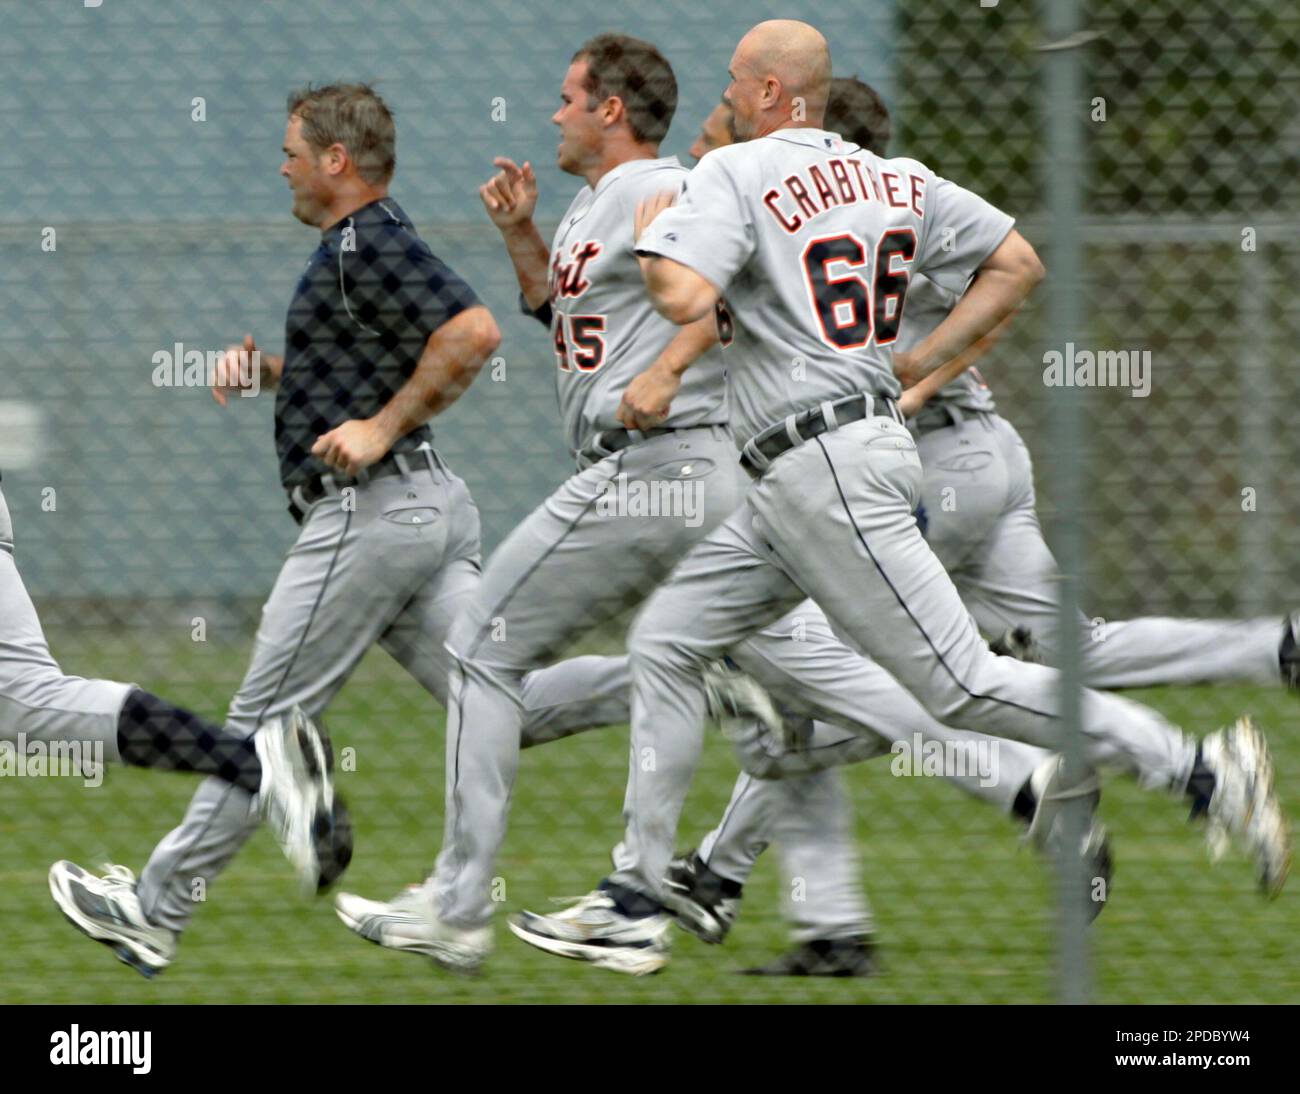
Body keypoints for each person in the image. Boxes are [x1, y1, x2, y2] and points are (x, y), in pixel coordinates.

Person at [509, 20, 1289, 976]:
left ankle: (1198, 768)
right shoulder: (895, 178)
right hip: (823, 461)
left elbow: (676, 297)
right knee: (670, 642)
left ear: (763, 93)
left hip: (823, 467)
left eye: (731, 83)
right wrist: (916, 362)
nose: (723, 100)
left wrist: (658, 249)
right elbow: (1018, 264)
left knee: (959, 684)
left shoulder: (738, 173)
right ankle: (637, 898)